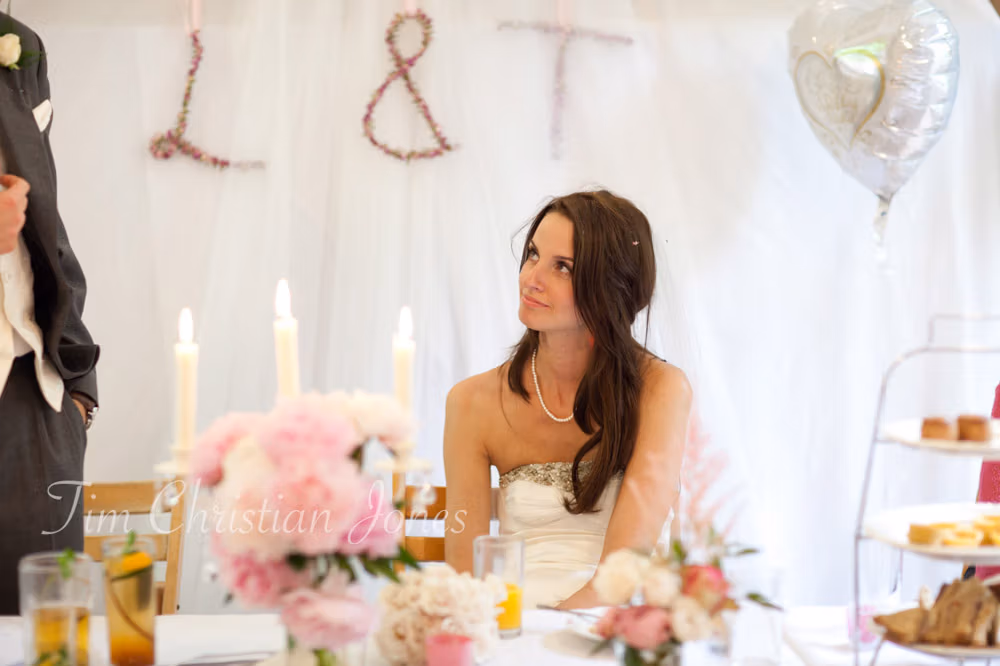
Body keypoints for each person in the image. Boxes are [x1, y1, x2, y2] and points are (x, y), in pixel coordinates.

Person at [443, 190, 691, 610]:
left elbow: (620, 574)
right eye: (534, 254)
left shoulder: (661, 390)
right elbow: (463, 578)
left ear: (611, 288)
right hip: (511, 627)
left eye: (562, 267)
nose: (532, 278)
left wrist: (553, 644)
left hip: (613, 625)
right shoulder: (471, 403)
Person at [0, 13, 100, 613]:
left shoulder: (18, 45)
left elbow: (47, 224)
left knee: (50, 636)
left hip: (34, 402)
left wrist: (77, 388)